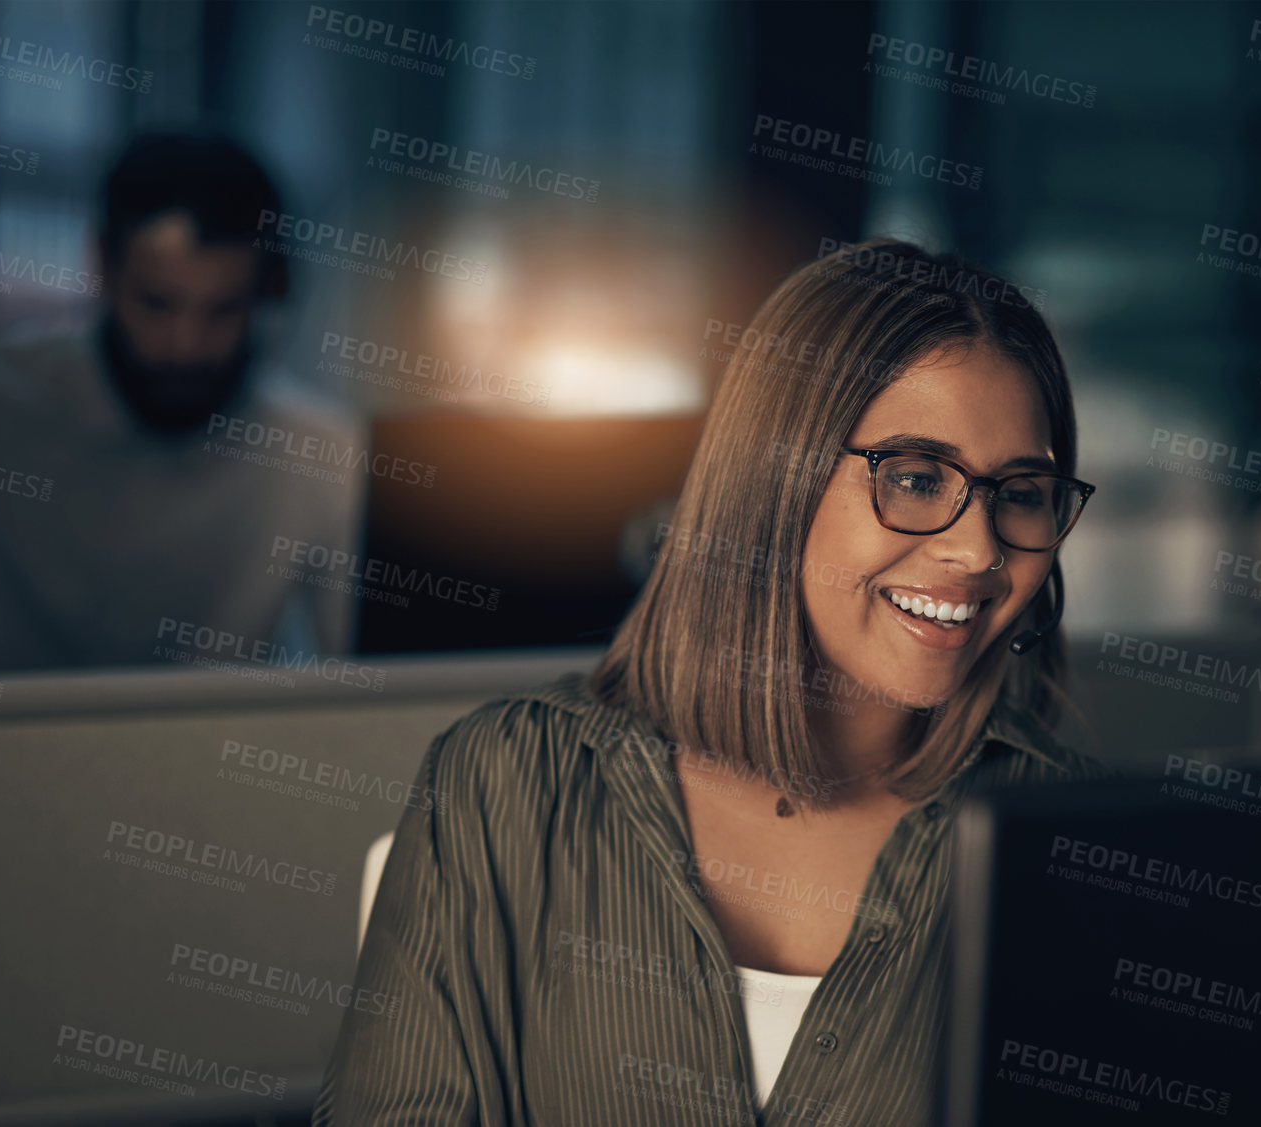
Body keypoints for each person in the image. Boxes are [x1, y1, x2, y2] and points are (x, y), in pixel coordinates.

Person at [313, 238, 1102, 1126]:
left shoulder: (1069, 842)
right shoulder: (506, 782)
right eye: (918, 478)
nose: (979, 550)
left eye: (1023, 494)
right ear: (773, 478)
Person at [0, 131, 365, 672]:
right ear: (103, 267)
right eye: (157, 303)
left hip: (216, 756)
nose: (185, 345)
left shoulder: (320, 454)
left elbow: (366, 683)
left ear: (266, 293)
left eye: (223, 309)